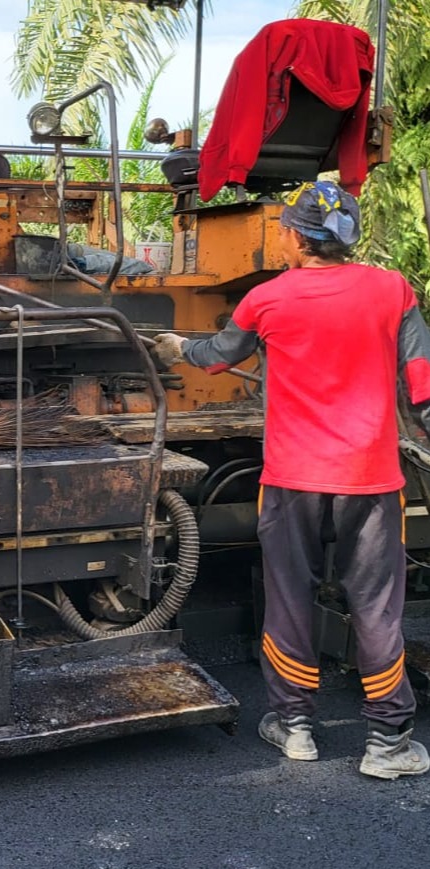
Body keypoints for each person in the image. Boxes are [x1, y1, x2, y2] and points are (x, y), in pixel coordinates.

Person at [153, 181, 430, 780]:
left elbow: (218, 357)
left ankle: (295, 725)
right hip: (372, 481)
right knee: (377, 607)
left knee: (290, 596)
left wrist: (177, 346)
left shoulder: (267, 300)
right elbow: (423, 385)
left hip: (292, 480)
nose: (278, 236)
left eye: (281, 228)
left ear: (299, 238)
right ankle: (388, 741)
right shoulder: (394, 291)